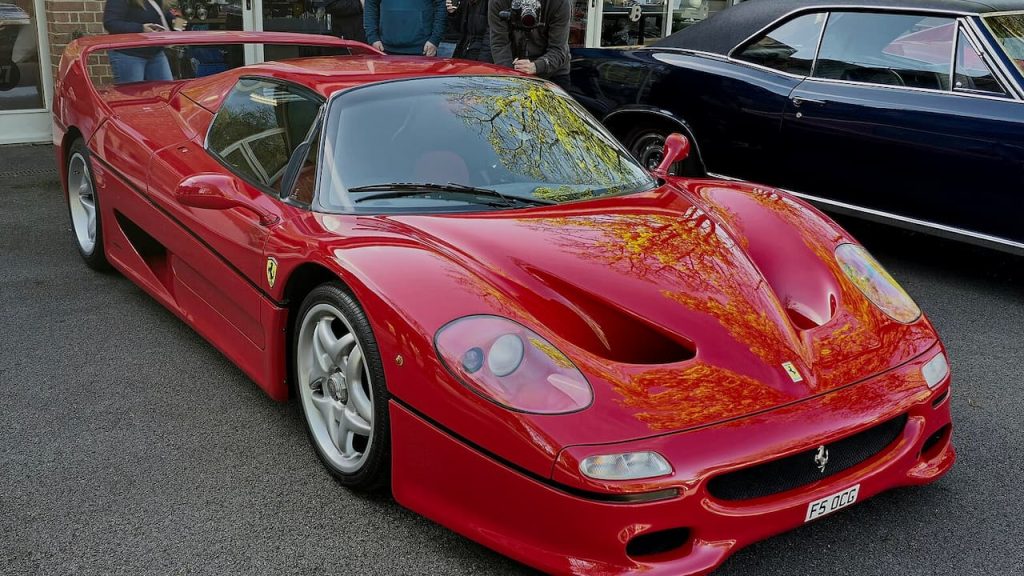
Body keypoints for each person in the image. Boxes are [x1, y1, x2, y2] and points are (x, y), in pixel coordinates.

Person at [489, 0, 571, 89]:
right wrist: (510, 73)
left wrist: (537, 66)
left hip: (552, 72)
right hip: (513, 67)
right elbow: (500, 44)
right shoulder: (498, 2)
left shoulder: (559, 3)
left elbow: (558, 49)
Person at [103, 0, 185, 84]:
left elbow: (163, 15)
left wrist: (180, 24)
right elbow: (111, 23)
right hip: (128, 54)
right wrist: (141, 28)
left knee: (165, 91)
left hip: (155, 53)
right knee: (133, 94)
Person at [363, 0, 446, 56]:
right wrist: (373, 38)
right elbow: (370, 5)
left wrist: (435, 39)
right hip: (384, 50)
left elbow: (441, 6)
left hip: (422, 49)